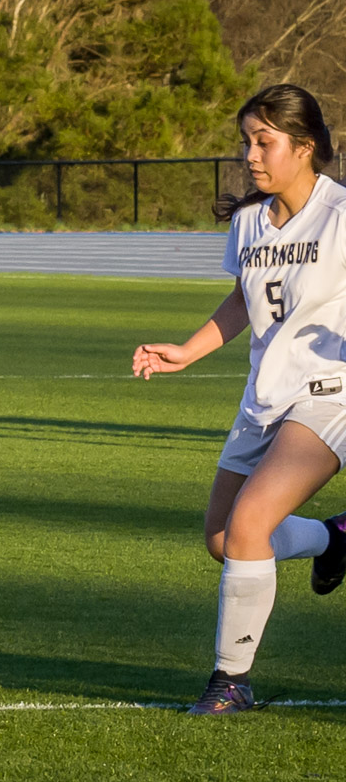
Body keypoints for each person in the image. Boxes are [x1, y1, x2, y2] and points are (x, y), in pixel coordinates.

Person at [133, 84, 346, 714]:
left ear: (305, 148)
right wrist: (187, 350)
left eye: (264, 141)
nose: (250, 154)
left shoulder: (340, 216)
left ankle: (231, 680)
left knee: (252, 523)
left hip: (330, 394)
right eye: (247, 140)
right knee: (226, 539)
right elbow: (243, 299)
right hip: (264, 395)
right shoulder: (251, 219)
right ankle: (334, 542)